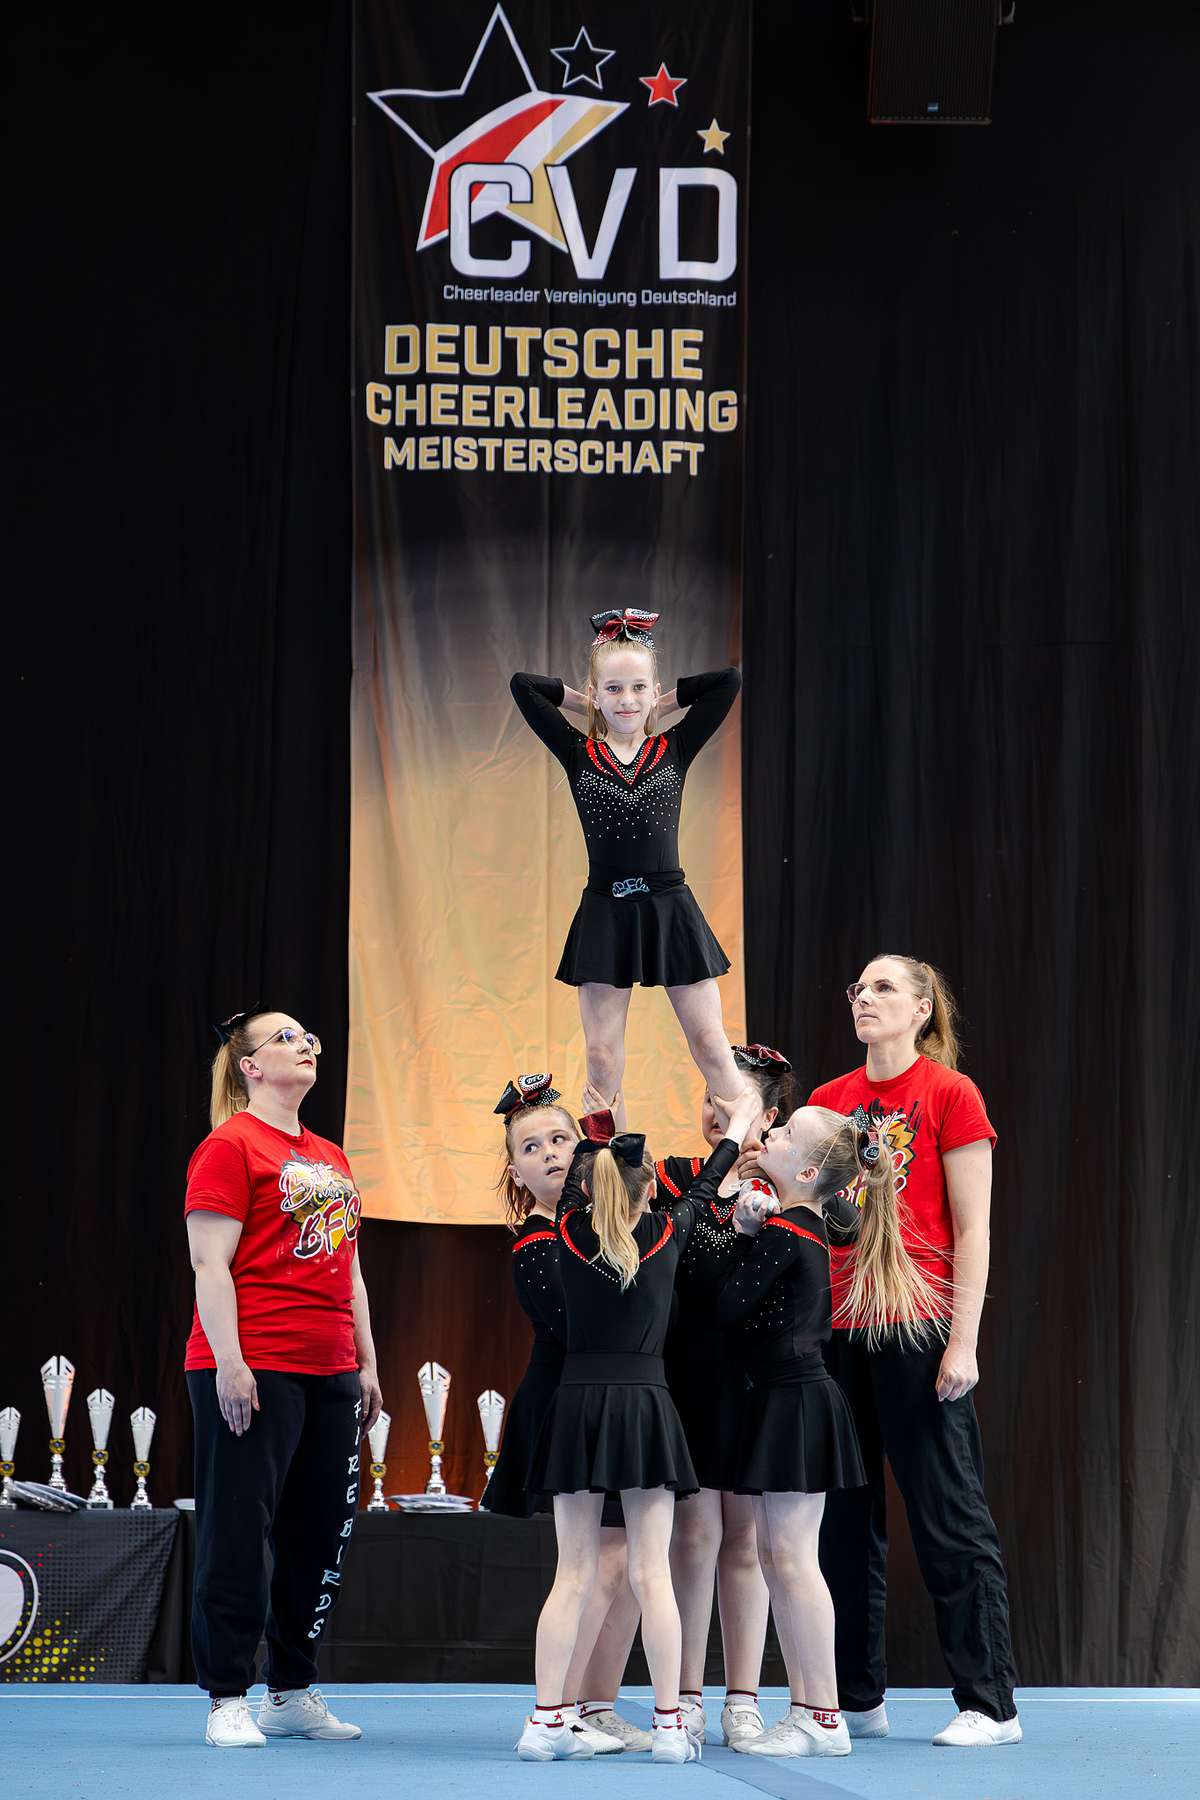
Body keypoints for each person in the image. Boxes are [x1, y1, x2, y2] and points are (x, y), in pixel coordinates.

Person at [811, 956, 1021, 1748]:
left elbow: (974, 1229)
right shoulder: (830, 1101)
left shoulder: (949, 1095)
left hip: (916, 1324)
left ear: (922, 1007)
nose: (864, 998)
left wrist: (962, 1341)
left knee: (948, 1519)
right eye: (857, 989)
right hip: (838, 1330)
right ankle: (856, 1697)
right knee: (842, 1523)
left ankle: (991, 1703)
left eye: (883, 988)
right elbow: (820, 1217)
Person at [519, 1089, 765, 1764]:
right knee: (652, 1572)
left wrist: (599, 1124)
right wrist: (741, 1125)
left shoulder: (566, 1232)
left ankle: (544, 1721)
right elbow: (708, 1185)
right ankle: (668, 1725)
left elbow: (581, 1182)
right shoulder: (666, 1233)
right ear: (650, 1190)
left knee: (571, 1574)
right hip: (645, 1406)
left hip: (578, 1405)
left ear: (584, 1189)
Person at [711, 1102, 946, 1757]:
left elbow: (728, 1304)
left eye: (785, 1133)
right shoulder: (802, 1225)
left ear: (809, 1171)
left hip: (796, 1403)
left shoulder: (790, 1230)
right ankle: (811, 1708)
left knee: (791, 1561)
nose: (772, 1134)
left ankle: (820, 1713)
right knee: (777, 1558)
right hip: (788, 1400)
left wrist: (740, 1230)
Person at [184, 1008, 382, 1749]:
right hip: (255, 1363)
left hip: (330, 1367)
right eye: (287, 1038)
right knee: (239, 1530)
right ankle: (227, 1695)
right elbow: (209, 1263)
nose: (305, 1046)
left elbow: (350, 1270)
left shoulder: (330, 1155)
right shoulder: (229, 1146)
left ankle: (291, 1689)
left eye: (309, 1038)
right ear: (251, 1066)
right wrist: (230, 1361)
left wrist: (365, 1360)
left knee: (317, 1535)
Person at [510, 608, 750, 1112]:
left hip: (670, 907)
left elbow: (728, 681)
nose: (627, 700)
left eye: (638, 688)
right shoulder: (578, 753)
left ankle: (749, 1146)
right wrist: (588, 706)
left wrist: (662, 704)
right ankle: (607, 1160)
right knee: (601, 1056)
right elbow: (523, 686)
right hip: (606, 911)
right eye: (614, 689)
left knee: (710, 1044)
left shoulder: (674, 747)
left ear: (653, 690)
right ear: (596, 693)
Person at [481, 1073, 648, 1753]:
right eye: (531, 1147)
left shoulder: (606, 1228)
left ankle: (597, 1705)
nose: (550, 1153)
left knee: (629, 1561)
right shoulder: (537, 1243)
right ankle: (561, 1708)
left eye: (559, 1139)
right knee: (597, 1562)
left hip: (616, 1402)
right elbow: (583, 1325)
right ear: (516, 1173)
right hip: (569, 1404)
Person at [656, 1044, 793, 1751]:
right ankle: (684, 1695)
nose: (717, 1110)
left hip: (755, 1378)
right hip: (687, 1371)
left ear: (769, 1115)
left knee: (745, 1538)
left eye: (735, 1100)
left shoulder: (789, 1182)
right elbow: (673, 1254)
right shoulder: (677, 1177)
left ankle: (744, 1697)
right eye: (711, 1095)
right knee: (692, 1534)